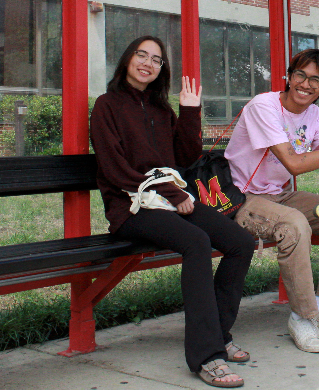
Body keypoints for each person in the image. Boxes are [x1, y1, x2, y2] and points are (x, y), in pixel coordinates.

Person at [91, 36, 255, 388]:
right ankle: (206, 356)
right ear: (127, 59)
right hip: (131, 207)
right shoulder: (106, 106)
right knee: (196, 242)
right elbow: (114, 170)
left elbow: (184, 159)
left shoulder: (161, 110)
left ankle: (219, 333)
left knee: (240, 242)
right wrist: (169, 190)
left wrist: (190, 111)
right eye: (141, 55)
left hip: (169, 201)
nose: (147, 63)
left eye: (156, 60)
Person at [225, 48, 319, 354]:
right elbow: (293, 163)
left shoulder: (315, 115)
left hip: (279, 195)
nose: (306, 84)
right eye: (300, 75)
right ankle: (302, 318)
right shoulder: (263, 107)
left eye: (316, 80)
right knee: (294, 225)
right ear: (289, 77)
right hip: (242, 199)